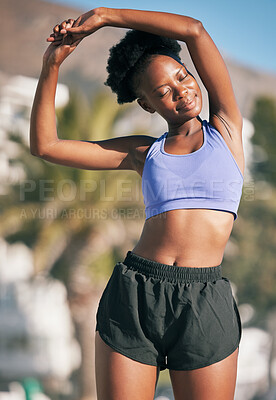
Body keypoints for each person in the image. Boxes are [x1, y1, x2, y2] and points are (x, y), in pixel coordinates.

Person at [30, 7, 244, 400]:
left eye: (183, 77)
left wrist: (106, 16)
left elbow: (194, 30)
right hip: (136, 294)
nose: (182, 90)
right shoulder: (144, 152)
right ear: (147, 105)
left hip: (205, 298)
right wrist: (52, 64)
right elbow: (46, 146)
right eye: (163, 91)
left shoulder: (226, 130)